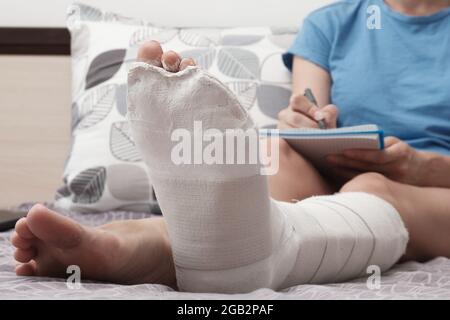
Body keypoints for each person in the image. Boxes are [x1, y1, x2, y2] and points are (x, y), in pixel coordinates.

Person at [10, 0, 450, 292]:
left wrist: (425, 167)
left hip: (434, 187)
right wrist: (308, 120)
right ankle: (174, 248)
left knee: (373, 186)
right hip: (338, 172)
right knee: (273, 154)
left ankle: (207, 252)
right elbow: (308, 110)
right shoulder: (331, 23)